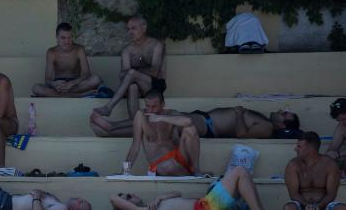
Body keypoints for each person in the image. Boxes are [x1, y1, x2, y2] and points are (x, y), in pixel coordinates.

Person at [109, 166, 278, 210]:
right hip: (207, 209)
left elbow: (178, 193)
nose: (131, 194)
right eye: (128, 198)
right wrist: (122, 204)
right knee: (239, 172)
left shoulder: (153, 205)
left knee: (239, 175)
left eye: (129, 193)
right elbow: (113, 198)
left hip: (207, 205)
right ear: (128, 209)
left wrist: (161, 197)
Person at [93, 17, 165, 119]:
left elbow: (155, 72)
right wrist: (135, 73)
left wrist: (135, 72)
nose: (130, 32)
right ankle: (135, 123)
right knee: (132, 87)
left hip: (154, 86)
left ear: (144, 28)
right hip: (137, 88)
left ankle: (109, 107)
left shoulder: (156, 45)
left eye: (133, 28)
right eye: (128, 29)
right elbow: (122, 76)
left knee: (131, 73)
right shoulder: (127, 50)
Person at [92, 105, 299, 139]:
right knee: (159, 118)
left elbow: (243, 135)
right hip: (203, 117)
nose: (282, 112)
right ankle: (114, 126)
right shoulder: (265, 119)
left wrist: (237, 115)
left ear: (282, 126)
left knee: (161, 123)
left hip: (207, 127)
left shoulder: (268, 127)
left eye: (285, 116)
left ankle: (112, 129)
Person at [122, 91, 199, 176]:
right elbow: (135, 147)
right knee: (168, 165)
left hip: (179, 158)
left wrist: (161, 118)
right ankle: (190, 176)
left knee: (190, 129)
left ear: (163, 104)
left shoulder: (170, 114)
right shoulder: (141, 116)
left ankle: (196, 170)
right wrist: (125, 172)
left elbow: (189, 121)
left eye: (154, 106)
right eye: (147, 106)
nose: (150, 110)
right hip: (160, 165)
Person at [31, 23, 103, 98]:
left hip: (76, 84)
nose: (67, 41)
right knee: (36, 88)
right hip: (59, 85)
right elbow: (47, 79)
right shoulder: (51, 52)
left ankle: (63, 94)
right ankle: (79, 95)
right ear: (57, 38)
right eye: (63, 38)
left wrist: (72, 83)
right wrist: (54, 84)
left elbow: (86, 73)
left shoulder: (79, 49)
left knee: (96, 79)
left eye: (69, 37)